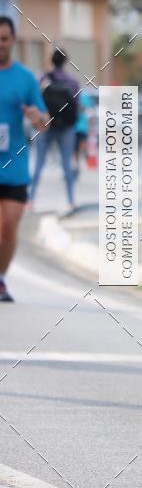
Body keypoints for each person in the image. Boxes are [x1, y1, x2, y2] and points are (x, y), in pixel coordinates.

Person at [0, 15, 49, 302]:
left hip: (15, 167)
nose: (0, 44)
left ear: (12, 41)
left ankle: (2, 277)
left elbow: (45, 122)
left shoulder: (25, 78)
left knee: (8, 227)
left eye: (4, 39)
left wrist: (37, 117)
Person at [30, 48, 80, 213]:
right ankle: (71, 201)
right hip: (67, 128)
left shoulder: (44, 78)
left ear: (51, 60)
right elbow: (76, 106)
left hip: (46, 126)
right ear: (65, 61)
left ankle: (30, 200)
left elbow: (35, 100)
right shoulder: (72, 81)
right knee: (66, 164)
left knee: (38, 164)